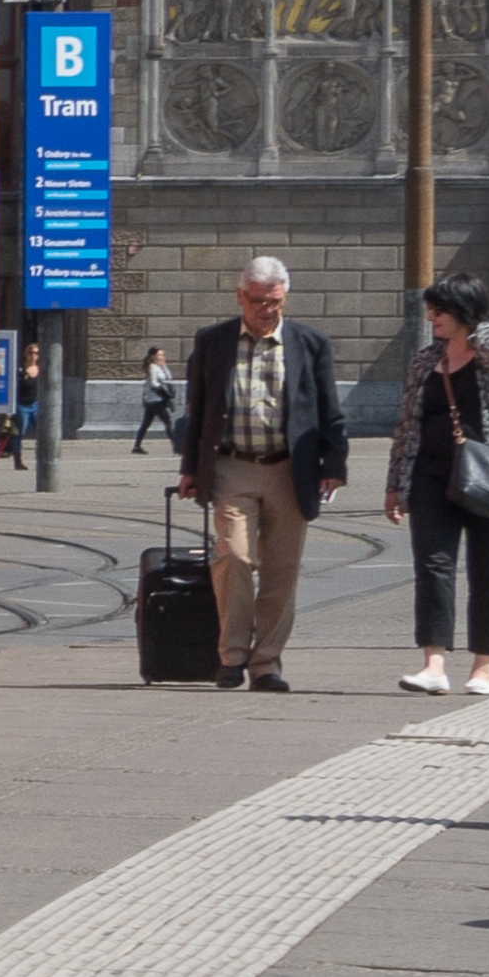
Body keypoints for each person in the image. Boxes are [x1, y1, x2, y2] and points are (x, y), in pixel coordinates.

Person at [175, 255, 346, 694]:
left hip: (291, 470)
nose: (266, 311)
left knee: (281, 572)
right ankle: (231, 656)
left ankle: (266, 664)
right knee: (233, 556)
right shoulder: (212, 341)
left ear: (284, 298)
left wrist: (334, 467)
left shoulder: (310, 343)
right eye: (257, 302)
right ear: (240, 297)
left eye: (274, 302)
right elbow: (198, 411)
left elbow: (329, 410)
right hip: (233, 466)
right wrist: (191, 468)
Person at [395, 278, 489, 697]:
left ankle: (483, 668)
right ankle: (434, 664)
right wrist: (395, 484)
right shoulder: (424, 360)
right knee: (433, 568)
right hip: (431, 477)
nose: (430, 318)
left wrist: (473, 327)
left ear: (463, 312)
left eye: (439, 311)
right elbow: (406, 426)